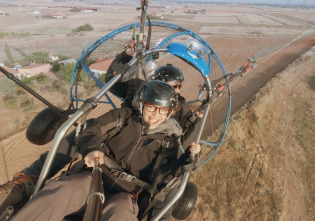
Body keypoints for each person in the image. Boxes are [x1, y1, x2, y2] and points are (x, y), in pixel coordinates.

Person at [0, 42, 202, 219]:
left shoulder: (177, 125)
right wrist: (126, 57)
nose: (157, 113)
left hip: (127, 193)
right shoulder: (126, 113)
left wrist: (187, 159)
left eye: (176, 86)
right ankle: (30, 178)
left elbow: (169, 176)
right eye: (152, 105)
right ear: (145, 99)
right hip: (100, 166)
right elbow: (113, 81)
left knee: (122, 210)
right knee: (69, 176)